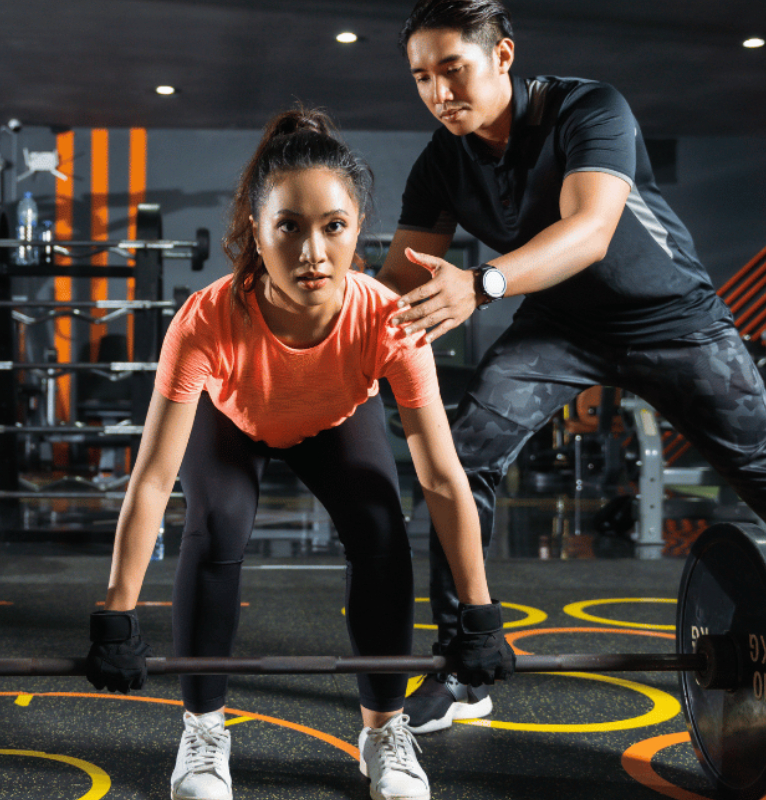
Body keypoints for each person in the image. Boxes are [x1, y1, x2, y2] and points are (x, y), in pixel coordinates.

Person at [376, 0, 766, 740]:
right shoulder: (442, 160)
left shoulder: (587, 108)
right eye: (422, 77)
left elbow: (589, 230)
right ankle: (465, 664)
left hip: (672, 320)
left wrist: (480, 284)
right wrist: (326, 319)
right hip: (560, 327)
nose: (439, 92)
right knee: (462, 458)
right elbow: (399, 278)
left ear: (503, 56)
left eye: (453, 69)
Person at [84, 107, 516, 800]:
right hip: (234, 419)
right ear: (255, 231)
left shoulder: (389, 321)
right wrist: (117, 614)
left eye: (333, 226)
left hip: (334, 420)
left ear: (357, 228)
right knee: (216, 523)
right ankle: (203, 729)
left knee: (380, 526)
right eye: (289, 227)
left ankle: (383, 730)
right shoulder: (206, 320)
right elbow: (154, 479)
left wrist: (480, 612)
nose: (313, 251)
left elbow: (440, 476)